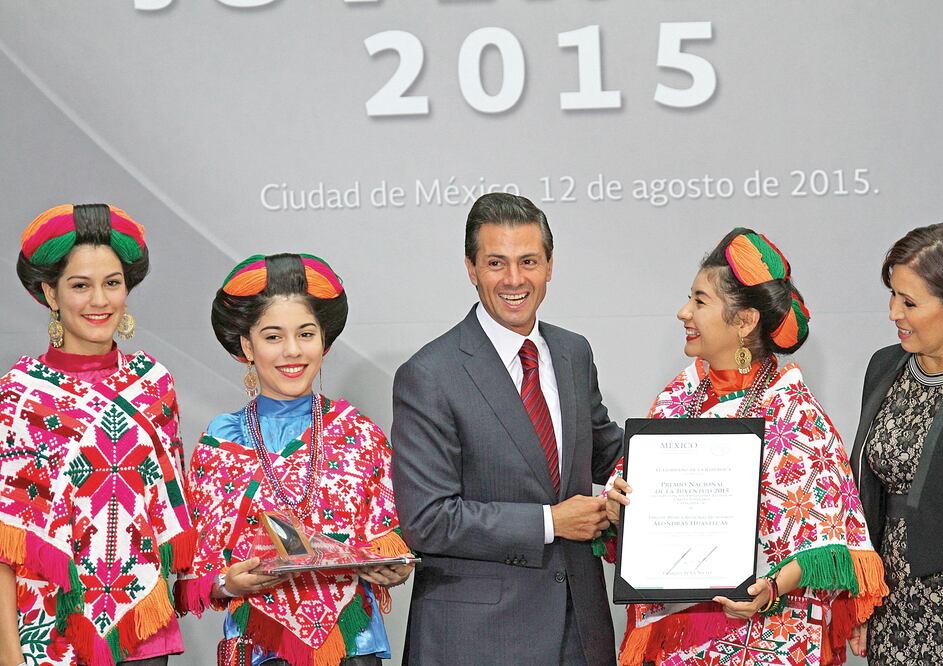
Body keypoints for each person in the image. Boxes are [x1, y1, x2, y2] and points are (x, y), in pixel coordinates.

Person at [604, 229, 886, 666]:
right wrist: (618, 503)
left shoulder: (791, 406)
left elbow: (825, 537)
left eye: (699, 301)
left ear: (743, 321)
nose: (684, 312)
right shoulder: (678, 394)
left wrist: (769, 588)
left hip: (770, 637)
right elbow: (628, 500)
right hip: (681, 641)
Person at [391, 192, 624, 665]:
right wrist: (551, 522)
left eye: (529, 261)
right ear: (471, 268)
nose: (514, 279)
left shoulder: (573, 352)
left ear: (550, 266)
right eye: (496, 262)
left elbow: (607, 453)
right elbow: (428, 520)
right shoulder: (430, 374)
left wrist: (712, 446)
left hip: (580, 632)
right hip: (477, 641)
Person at [175, 253, 413, 666]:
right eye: (272, 337)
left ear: (325, 341)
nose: (292, 351)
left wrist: (395, 569)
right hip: (256, 648)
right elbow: (200, 573)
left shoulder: (358, 433)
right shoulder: (220, 442)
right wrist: (228, 585)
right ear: (246, 346)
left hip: (351, 649)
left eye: (305, 334)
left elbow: (388, 541)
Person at [0, 204, 195, 666]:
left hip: (142, 633)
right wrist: (7, 654)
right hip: (47, 634)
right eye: (80, 286)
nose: (99, 301)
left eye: (112, 283)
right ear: (50, 292)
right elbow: (5, 544)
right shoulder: (20, 395)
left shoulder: (154, 384)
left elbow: (168, 508)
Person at [848, 222, 943, 665]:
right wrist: (860, 598)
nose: (893, 312)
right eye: (892, 295)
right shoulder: (884, 365)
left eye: (909, 302)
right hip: (890, 605)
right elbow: (869, 494)